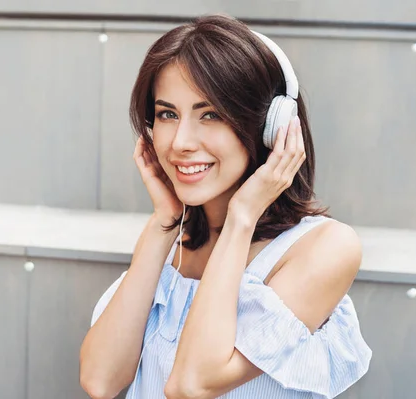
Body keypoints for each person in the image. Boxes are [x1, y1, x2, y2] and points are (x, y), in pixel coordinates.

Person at [79, 13, 371, 399]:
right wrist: (163, 222)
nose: (181, 141)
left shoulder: (326, 248)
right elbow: (100, 381)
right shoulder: (169, 245)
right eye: (168, 114)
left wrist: (242, 217)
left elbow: (191, 384)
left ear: (273, 127)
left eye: (211, 114)